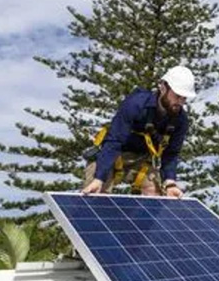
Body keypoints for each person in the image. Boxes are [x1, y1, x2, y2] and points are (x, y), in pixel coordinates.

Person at [81, 66, 195, 198]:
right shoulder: (135, 104)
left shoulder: (180, 120)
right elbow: (114, 141)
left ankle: (141, 219)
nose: (180, 102)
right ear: (163, 87)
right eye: (177, 96)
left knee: (155, 192)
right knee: (96, 194)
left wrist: (170, 183)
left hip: (142, 159)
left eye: (184, 98)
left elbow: (171, 153)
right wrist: (99, 178)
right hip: (111, 154)